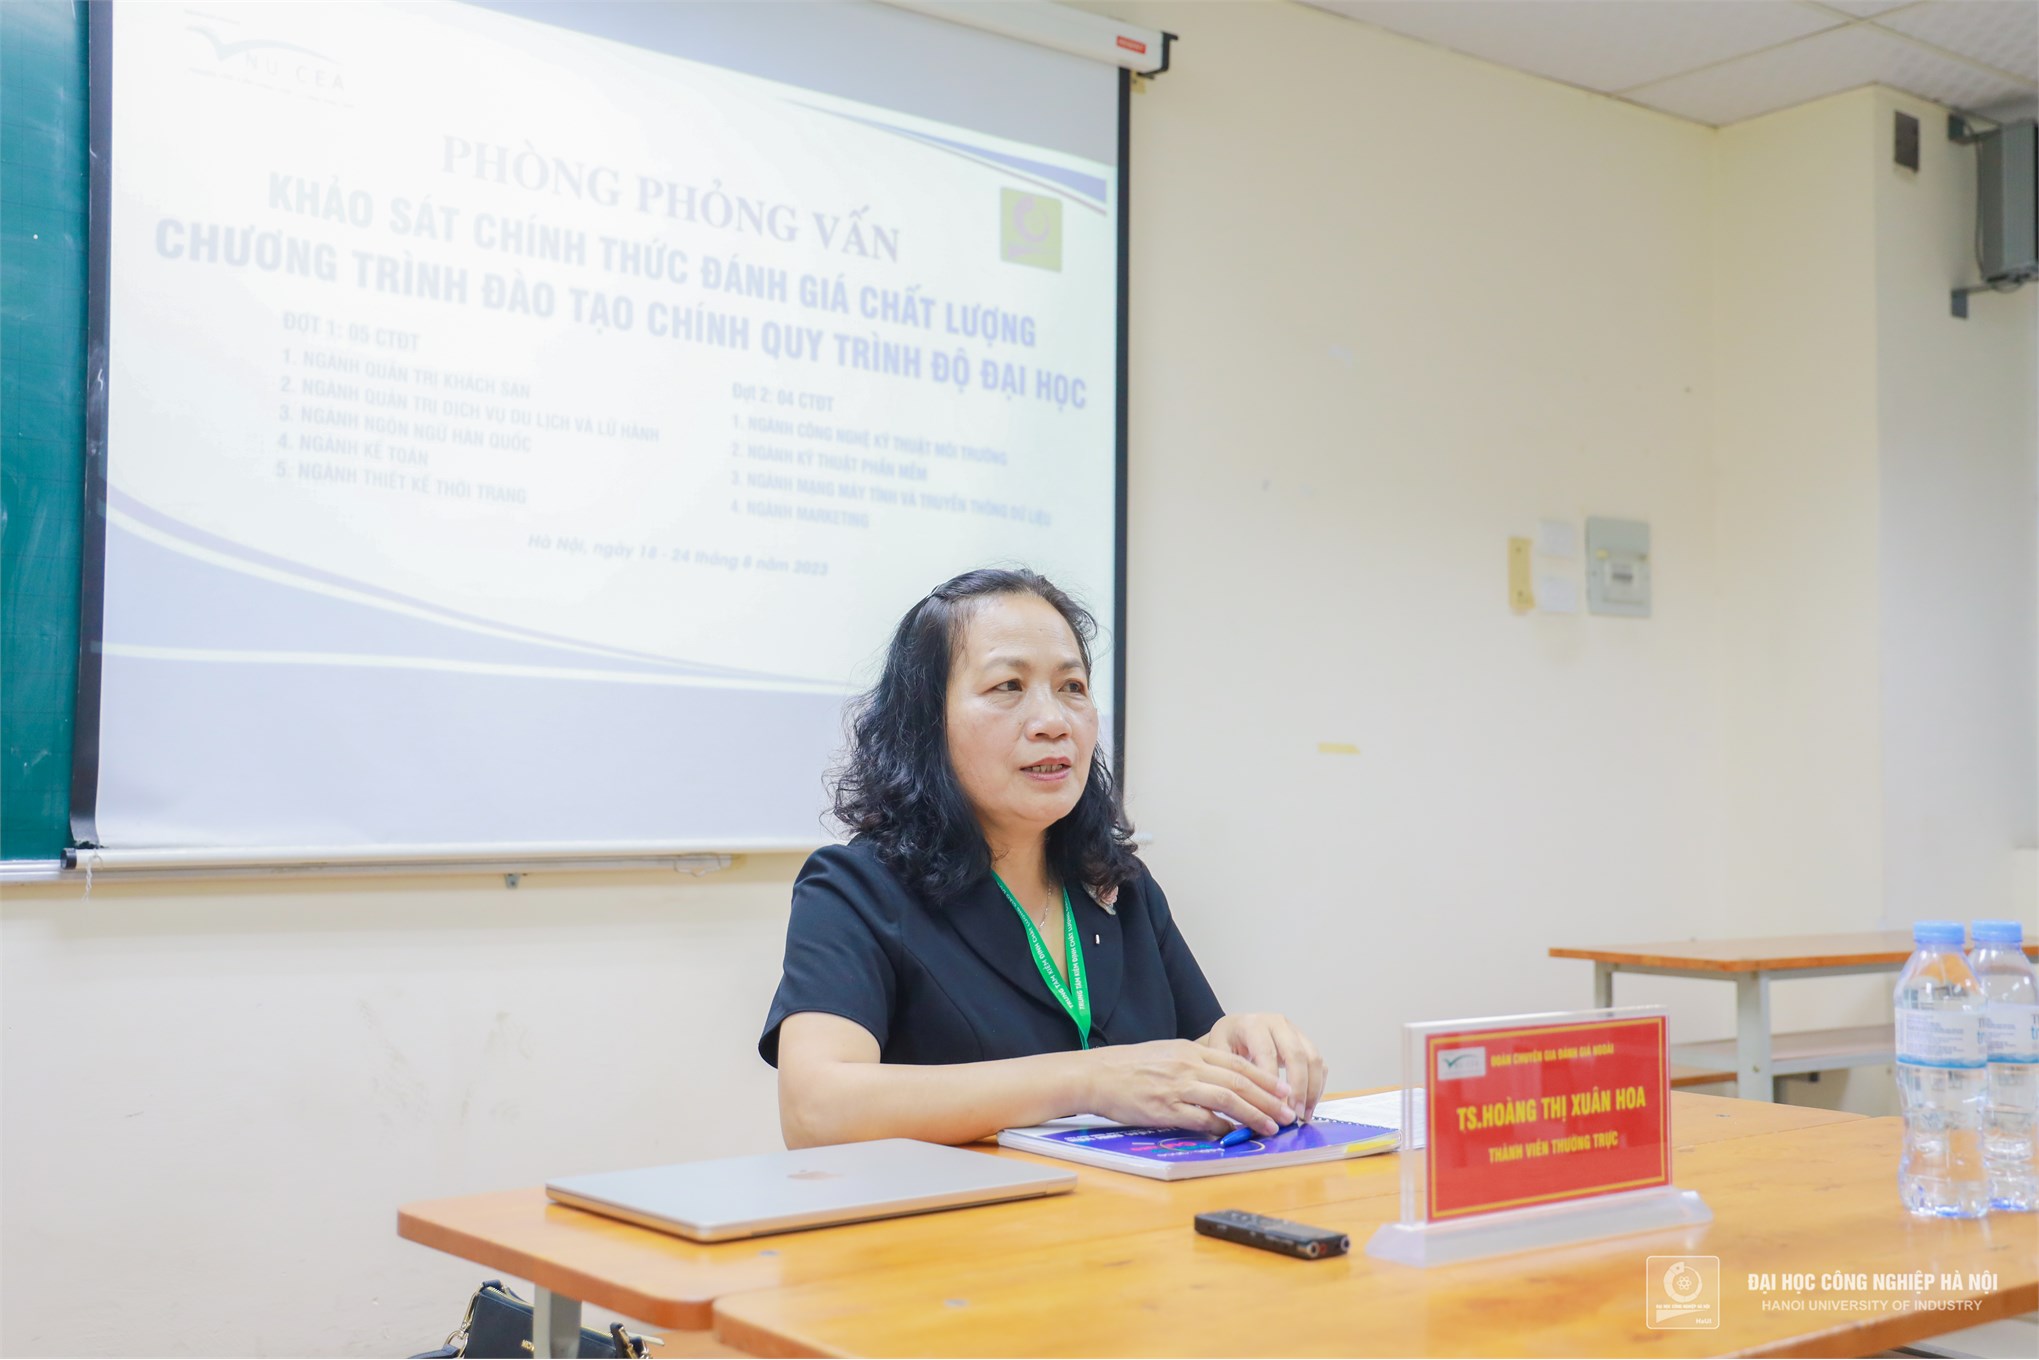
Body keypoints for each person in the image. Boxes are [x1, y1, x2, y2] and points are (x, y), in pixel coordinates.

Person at [760, 568, 1326, 1148]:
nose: (1054, 722)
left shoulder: (1119, 885)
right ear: (926, 721)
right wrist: (1089, 1081)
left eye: (1072, 687)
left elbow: (1186, 1065)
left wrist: (1238, 1047)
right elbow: (815, 1112)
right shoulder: (856, 888)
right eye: (1008, 686)